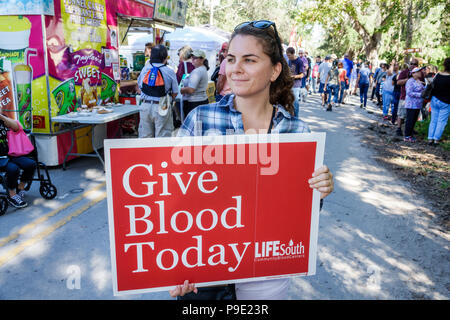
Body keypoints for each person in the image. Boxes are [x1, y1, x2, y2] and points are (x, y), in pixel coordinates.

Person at [170, 20, 334, 300]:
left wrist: (320, 189)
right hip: (207, 268)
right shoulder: (200, 120)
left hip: (266, 275)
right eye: (231, 59)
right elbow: (173, 201)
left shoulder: (296, 132)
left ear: (275, 70)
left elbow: (300, 213)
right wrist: (176, 268)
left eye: (250, 60)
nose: (236, 68)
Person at [137, 45, 179, 138]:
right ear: (165, 57)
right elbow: (175, 92)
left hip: (145, 105)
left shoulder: (145, 69)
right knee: (162, 137)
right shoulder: (169, 71)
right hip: (162, 105)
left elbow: (139, 88)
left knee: (145, 137)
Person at [0, 113, 36, 208]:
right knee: (13, 169)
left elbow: (16, 127)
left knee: (31, 164)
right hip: (0, 158)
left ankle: (20, 187)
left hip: (11, 154)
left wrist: (1, 116)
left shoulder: (3, 119)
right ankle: (12, 195)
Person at [180, 49, 210, 118]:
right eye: (192, 57)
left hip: (194, 102)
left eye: (195, 58)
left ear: (202, 59)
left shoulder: (197, 71)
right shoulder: (203, 68)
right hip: (201, 100)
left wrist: (181, 90)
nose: (193, 59)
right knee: (199, 125)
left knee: (193, 126)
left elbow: (191, 90)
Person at [427, 57, 450, 145]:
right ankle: (436, 139)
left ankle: (430, 139)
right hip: (446, 102)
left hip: (435, 99)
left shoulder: (438, 75)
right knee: (441, 121)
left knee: (433, 119)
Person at [396, 59, 419, 136]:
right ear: (409, 64)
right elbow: (398, 82)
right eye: (411, 63)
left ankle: (410, 129)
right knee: (401, 114)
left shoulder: (419, 73)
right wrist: (408, 79)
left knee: (411, 116)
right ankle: (399, 128)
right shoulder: (404, 72)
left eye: (415, 64)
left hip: (415, 99)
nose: (413, 65)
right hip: (404, 97)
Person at [403, 67, 425, 142]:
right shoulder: (410, 81)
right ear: (413, 73)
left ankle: (410, 134)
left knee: (414, 120)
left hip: (417, 104)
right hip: (411, 104)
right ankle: (407, 136)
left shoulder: (419, 81)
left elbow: (423, 89)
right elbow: (409, 92)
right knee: (410, 120)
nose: (420, 73)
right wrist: (420, 94)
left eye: (420, 71)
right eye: (418, 72)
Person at [286, 47, 304, 117]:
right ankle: (290, 116)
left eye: (289, 55)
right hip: (289, 84)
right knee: (288, 101)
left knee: (295, 102)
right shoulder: (289, 61)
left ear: (293, 54)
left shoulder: (299, 61)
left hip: (296, 85)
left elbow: (302, 75)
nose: (288, 57)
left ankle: (296, 117)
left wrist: (293, 77)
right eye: (287, 55)